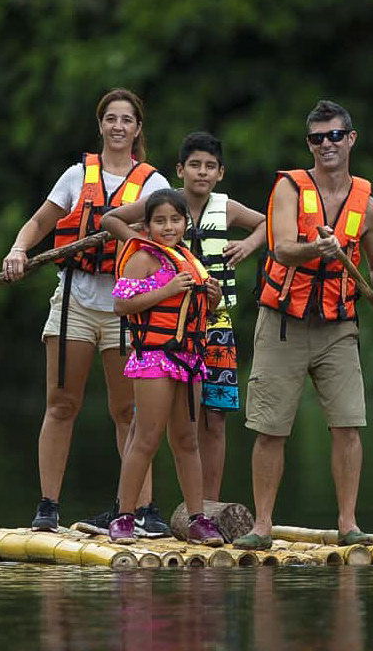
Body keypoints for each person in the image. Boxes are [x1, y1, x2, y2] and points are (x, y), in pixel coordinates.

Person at [233, 100, 373, 550]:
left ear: (351, 139)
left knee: (347, 425)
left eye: (335, 135)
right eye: (317, 137)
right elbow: (283, 248)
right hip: (284, 323)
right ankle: (262, 526)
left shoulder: (367, 206)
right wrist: (319, 249)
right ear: (308, 144)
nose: (326, 144)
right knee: (270, 428)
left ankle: (348, 524)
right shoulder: (290, 188)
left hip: (338, 326)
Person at [2, 88, 172, 534]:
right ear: (100, 125)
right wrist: (19, 249)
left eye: (127, 120)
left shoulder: (153, 185)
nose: (118, 127)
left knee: (127, 411)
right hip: (76, 300)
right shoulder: (77, 176)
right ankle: (48, 506)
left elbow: (169, 234)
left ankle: (141, 509)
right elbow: (40, 222)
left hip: (126, 306)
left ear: (138, 129)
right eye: (111, 119)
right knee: (62, 403)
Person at [101, 131, 266, 501]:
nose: (202, 173)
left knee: (214, 416)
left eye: (210, 167)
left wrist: (248, 244)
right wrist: (139, 242)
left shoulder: (227, 207)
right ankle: (131, 507)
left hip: (215, 324)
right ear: (180, 170)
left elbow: (266, 223)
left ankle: (207, 506)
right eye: (194, 165)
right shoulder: (161, 207)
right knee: (148, 425)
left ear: (220, 172)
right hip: (162, 336)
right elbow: (110, 219)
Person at [106, 189, 225, 545]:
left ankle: (197, 518)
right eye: (160, 221)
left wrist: (213, 297)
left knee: (187, 440)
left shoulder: (190, 259)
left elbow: (203, 310)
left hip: (189, 359)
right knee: (146, 436)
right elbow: (121, 305)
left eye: (175, 220)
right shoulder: (142, 258)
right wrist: (168, 288)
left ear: (186, 223)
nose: (168, 227)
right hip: (154, 357)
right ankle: (124, 516)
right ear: (147, 225)